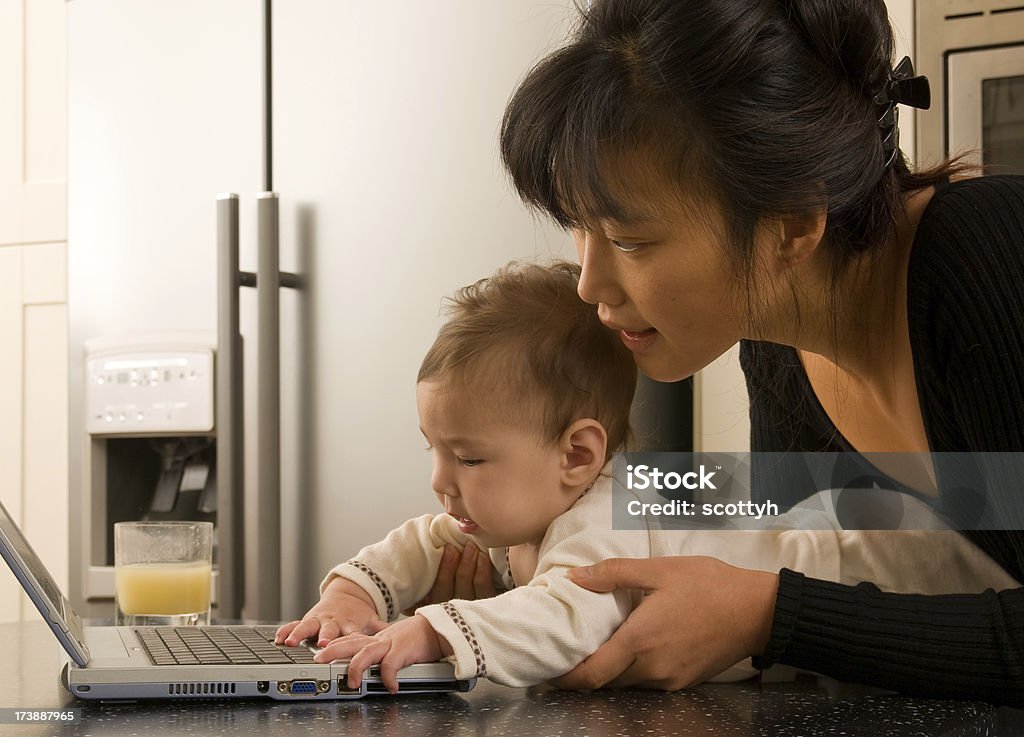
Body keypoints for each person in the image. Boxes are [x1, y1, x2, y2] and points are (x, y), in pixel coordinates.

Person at [492, 0, 1024, 706]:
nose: (589, 282)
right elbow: (767, 535)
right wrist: (540, 526)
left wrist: (771, 615)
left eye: (629, 240)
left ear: (792, 226)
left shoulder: (984, 267)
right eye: (578, 229)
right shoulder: (778, 343)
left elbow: (777, 596)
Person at [276, 261, 1016, 692]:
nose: (442, 481)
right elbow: (419, 541)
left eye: (468, 458)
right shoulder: (521, 507)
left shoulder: (597, 515)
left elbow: (568, 615)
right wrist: (351, 594)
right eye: (433, 449)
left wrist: (434, 630)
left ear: (576, 455)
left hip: (905, 563)